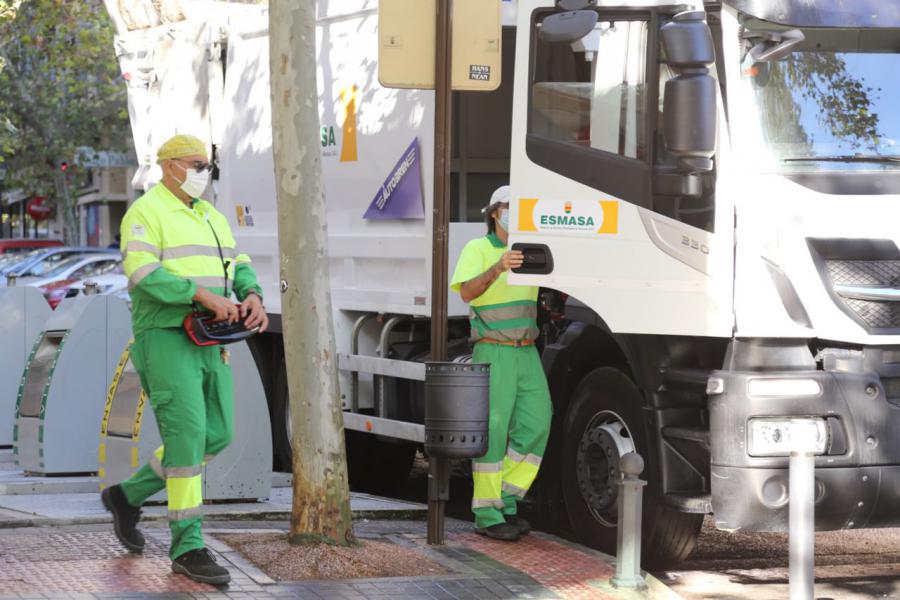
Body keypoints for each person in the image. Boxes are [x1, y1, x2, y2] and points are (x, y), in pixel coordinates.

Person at [100, 134, 268, 585]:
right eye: (196, 164)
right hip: (167, 337)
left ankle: (127, 495)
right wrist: (200, 295)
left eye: (207, 166)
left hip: (211, 338)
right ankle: (188, 545)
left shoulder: (212, 216)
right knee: (189, 435)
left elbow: (238, 262)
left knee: (218, 432)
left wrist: (251, 293)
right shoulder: (146, 212)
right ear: (169, 165)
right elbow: (143, 273)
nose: (203, 173)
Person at [449, 185, 552, 542]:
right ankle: (488, 513)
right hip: (494, 350)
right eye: (510, 207)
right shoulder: (477, 249)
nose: (515, 213)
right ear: (495, 212)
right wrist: (498, 266)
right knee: (493, 432)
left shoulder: (532, 250)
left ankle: (507, 498)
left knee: (538, 422)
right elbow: (466, 292)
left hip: (526, 350)